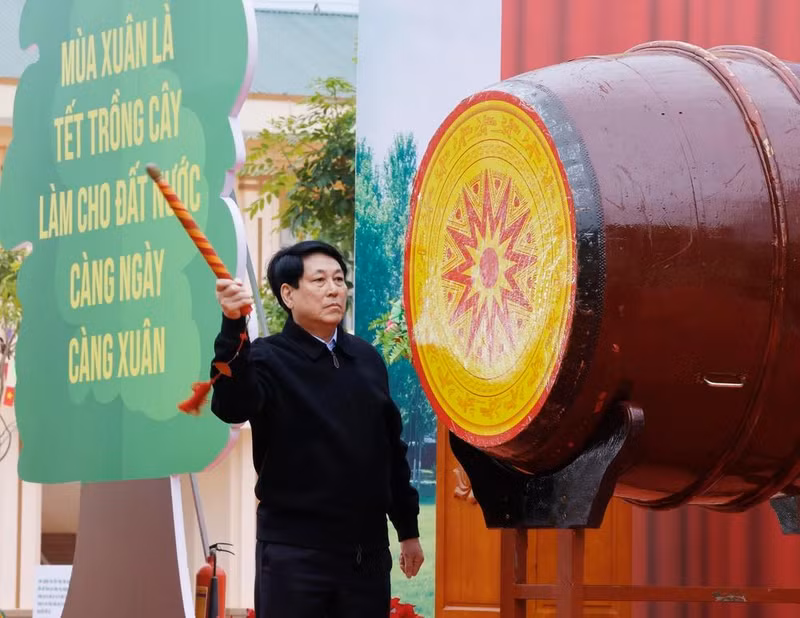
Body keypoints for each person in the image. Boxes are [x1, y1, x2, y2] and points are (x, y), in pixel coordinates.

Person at [210, 240, 424, 617]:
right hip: (296, 552)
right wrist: (232, 325)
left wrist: (407, 530)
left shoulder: (367, 359)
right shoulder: (266, 357)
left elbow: (390, 450)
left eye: (339, 279)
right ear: (288, 294)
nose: (333, 289)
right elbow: (230, 405)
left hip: (369, 554)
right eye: (320, 280)